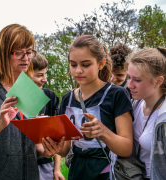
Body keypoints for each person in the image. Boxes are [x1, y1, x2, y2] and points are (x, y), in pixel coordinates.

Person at [41, 35, 133, 180]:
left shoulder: (116, 94)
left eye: (85, 65)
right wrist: (54, 147)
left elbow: (127, 148)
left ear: (101, 64)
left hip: (106, 170)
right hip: (77, 171)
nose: (78, 71)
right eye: (73, 64)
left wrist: (103, 132)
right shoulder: (67, 98)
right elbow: (66, 149)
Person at [0, 24, 40, 179]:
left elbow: (33, 146)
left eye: (29, 52)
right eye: (19, 53)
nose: (26, 58)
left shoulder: (28, 88)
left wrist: (48, 147)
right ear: (2, 54)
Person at [125, 47, 166, 180]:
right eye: (128, 77)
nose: (129, 85)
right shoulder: (133, 105)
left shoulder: (163, 116)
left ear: (158, 81)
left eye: (137, 80)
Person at [31, 53, 65, 180]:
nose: (44, 79)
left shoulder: (50, 97)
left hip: (45, 164)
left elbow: (56, 134)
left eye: (45, 74)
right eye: (39, 75)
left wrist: (57, 169)